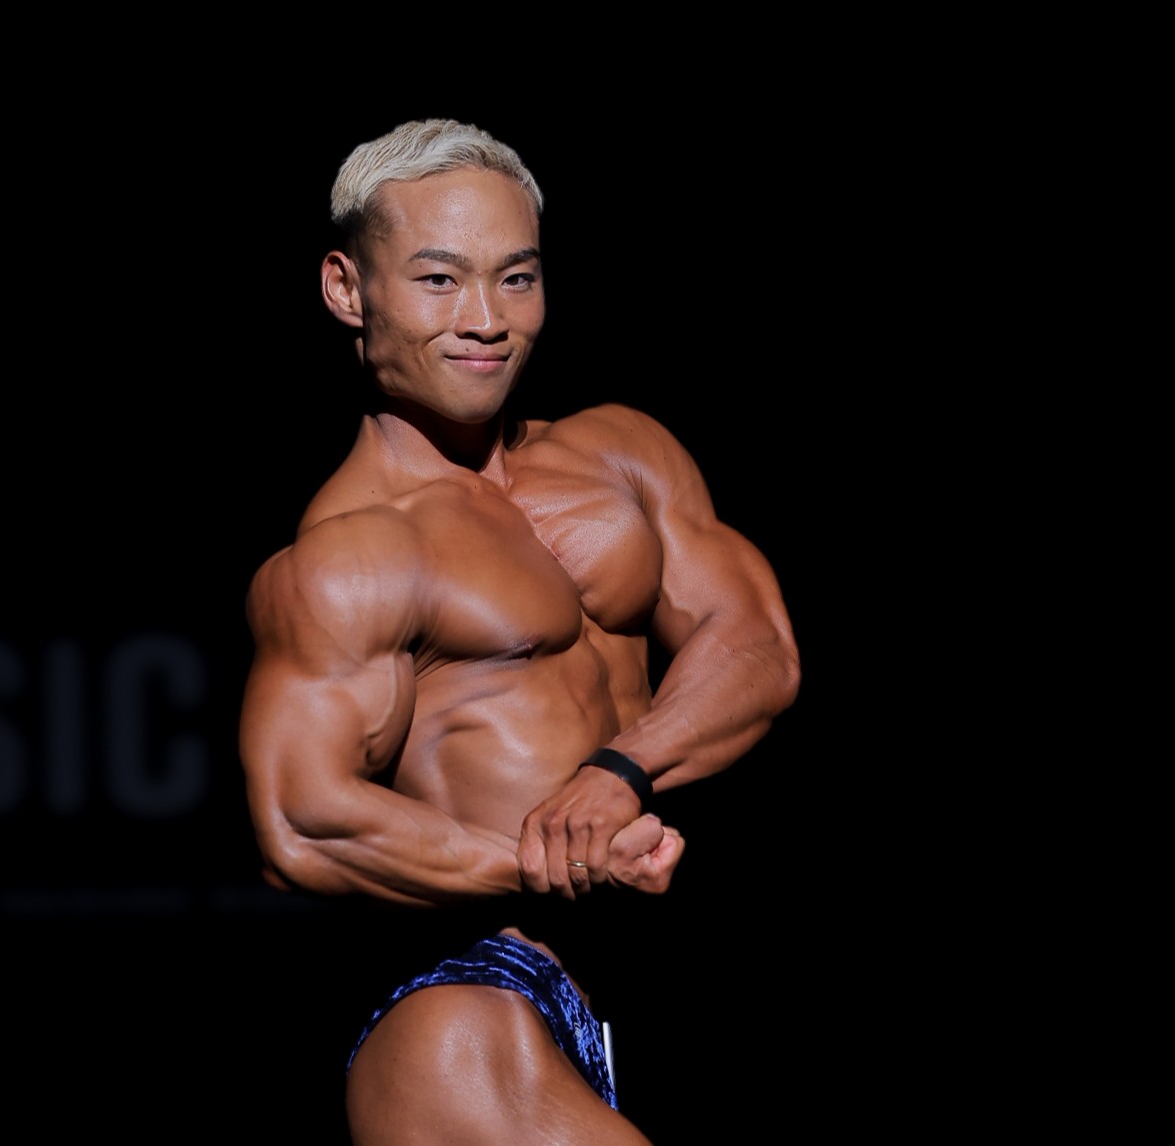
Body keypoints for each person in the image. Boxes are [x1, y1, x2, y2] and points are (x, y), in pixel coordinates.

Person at [238, 118, 801, 1144]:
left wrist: (617, 774)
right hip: (463, 1013)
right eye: (439, 280)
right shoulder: (353, 555)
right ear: (347, 290)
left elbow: (756, 645)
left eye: (517, 278)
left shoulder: (621, 452)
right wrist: (558, 858)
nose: (487, 320)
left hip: (618, 1002)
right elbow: (303, 822)